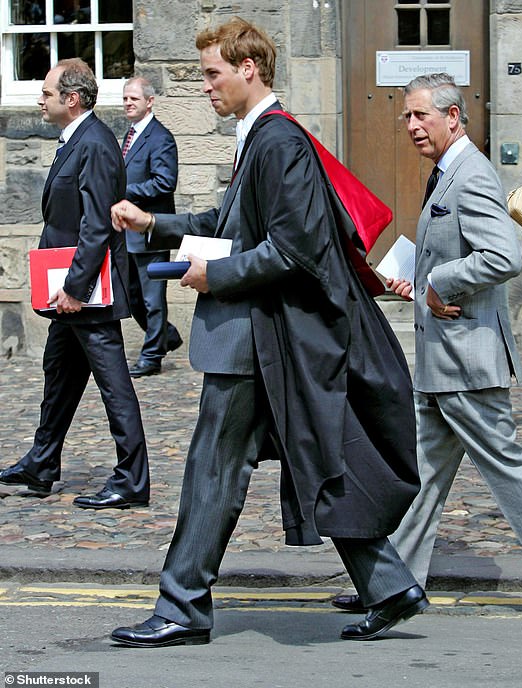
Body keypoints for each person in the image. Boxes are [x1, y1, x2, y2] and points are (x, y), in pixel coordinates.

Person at [108, 17, 427, 647]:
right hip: (264, 338)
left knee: (211, 470)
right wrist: (155, 222)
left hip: (259, 340)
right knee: (314, 460)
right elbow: (232, 222)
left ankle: (181, 607)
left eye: (212, 73)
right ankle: (389, 585)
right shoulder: (259, 138)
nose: (205, 87)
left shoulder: (277, 142)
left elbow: (293, 248)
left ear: (248, 69)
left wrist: (215, 275)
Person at [332, 72, 522, 622]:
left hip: (468, 359)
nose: (412, 126)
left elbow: (502, 257)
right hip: (443, 361)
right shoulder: (446, 171)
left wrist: (440, 282)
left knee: (507, 466)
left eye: (422, 116)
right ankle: (394, 582)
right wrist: (418, 278)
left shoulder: (471, 174)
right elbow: (455, 252)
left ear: (453, 117)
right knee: (421, 471)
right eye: (407, 117)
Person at [0, 59, 150, 510]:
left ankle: (131, 479)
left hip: (87, 292)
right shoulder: (77, 140)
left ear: (73, 99)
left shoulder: (96, 144)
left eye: (46, 93)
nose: (38, 100)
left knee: (114, 384)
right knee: (58, 374)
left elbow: (97, 226)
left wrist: (74, 286)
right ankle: (43, 462)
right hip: (71, 291)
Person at [121, 77, 183, 378]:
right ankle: (166, 336)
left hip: (151, 229)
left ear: (149, 101)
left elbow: (164, 182)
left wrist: (125, 190)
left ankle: (152, 356)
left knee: (151, 299)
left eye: (134, 98)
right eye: (125, 99)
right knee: (133, 299)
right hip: (129, 233)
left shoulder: (161, 138)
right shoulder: (130, 135)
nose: (128, 103)